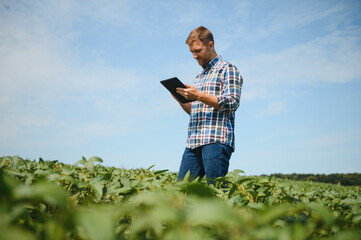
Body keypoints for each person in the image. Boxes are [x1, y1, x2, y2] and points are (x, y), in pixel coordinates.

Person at [173, 26, 243, 185]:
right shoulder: (200, 76)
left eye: (197, 50)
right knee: (180, 190)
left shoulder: (227, 69)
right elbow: (195, 111)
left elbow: (232, 102)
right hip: (193, 141)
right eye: (191, 52)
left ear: (210, 45)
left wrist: (198, 95)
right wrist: (180, 99)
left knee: (216, 190)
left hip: (215, 140)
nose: (194, 56)